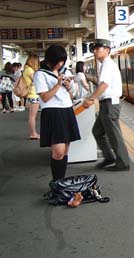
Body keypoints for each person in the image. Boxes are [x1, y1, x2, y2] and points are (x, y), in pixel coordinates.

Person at [33, 45, 80, 182]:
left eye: (63, 61)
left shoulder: (64, 71)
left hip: (67, 111)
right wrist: (58, 84)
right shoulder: (40, 74)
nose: (61, 64)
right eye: (58, 61)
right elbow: (45, 97)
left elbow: (71, 95)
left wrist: (69, 86)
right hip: (52, 112)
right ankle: (57, 183)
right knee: (58, 151)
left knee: (65, 150)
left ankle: (61, 181)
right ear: (50, 59)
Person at [82, 39, 131, 171]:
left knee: (114, 135)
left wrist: (91, 98)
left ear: (107, 50)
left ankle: (123, 163)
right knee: (98, 131)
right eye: (95, 49)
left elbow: (104, 85)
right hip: (106, 104)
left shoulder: (108, 64)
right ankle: (109, 157)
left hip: (110, 104)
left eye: (98, 48)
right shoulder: (105, 64)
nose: (95, 51)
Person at [23, 54, 41, 139]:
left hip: (31, 95)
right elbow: (36, 80)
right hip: (33, 94)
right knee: (32, 116)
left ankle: (33, 133)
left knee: (32, 116)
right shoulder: (29, 70)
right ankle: (33, 134)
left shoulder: (26, 69)